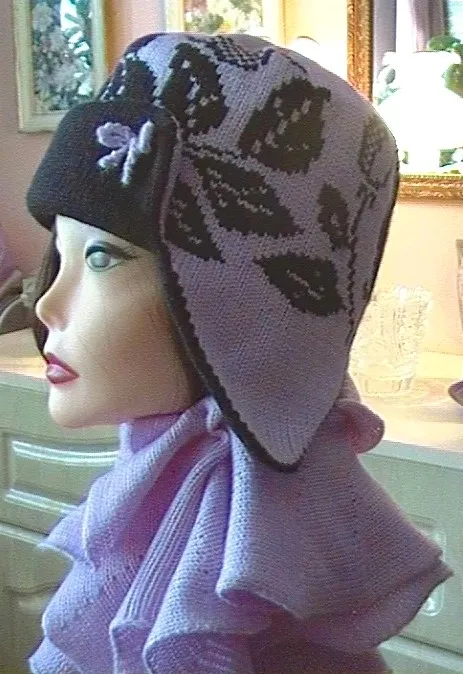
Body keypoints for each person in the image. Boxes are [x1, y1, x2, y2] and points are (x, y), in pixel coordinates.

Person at [26, 32, 451, 674]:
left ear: (244, 306)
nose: (46, 305)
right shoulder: (155, 492)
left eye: (104, 257)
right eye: (61, 254)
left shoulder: (269, 612)